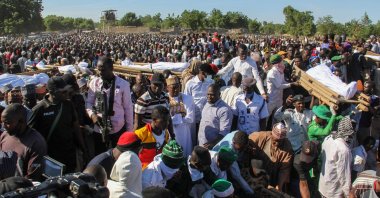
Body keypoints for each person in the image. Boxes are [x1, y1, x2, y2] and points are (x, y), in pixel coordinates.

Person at [29, 76, 86, 173]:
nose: (66, 94)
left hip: (69, 155)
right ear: (51, 92)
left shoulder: (68, 105)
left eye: (66, 91)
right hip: (50, 158)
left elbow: (75, 127)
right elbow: (31, 135)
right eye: (63, 92)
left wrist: (83, 148)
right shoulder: (39, 109)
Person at [86, 56, 134, 153]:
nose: (100, 73)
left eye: (103, 70)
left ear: (111, 69)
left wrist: (129, 132)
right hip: (99, 128)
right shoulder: (94, 83)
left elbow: (128, 108)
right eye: (99, 70)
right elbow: (89, 103)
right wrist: (92, 115)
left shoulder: (123, 84)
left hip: (118, 129)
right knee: (100, 156)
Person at [0, 104, 47, 181]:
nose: (3, 126)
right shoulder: (4, 135)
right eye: (2, 122)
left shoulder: (36, 143)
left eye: (7, 123)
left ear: (21, 121)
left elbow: (32, 179)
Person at [249, 122, 293, 192]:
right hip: (255, 173)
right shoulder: (259, 137)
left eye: (280, 140)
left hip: (272, 176)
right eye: (276, 139)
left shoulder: (287, 147)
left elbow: (284, 170)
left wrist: (279, 186)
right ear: (272, 133)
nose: (277, 142)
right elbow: (246, 144)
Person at [319, 117, 355, 198]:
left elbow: (322, 155)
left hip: (324, 185)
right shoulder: (343, 150)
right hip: (334, 191)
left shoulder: (328, 138)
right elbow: (344, 175)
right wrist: (348, 194)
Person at [167, 75, 195, 156]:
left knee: (184, 152)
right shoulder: (164, 98)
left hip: (184, 132)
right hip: (169, 131)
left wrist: (173, 119)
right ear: (168, 88)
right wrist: (181, 116)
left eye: (178, 87)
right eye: (173, 88)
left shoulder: (187, 98)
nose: (176, 90)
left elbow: (190, 118)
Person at [184, 63, 215, 135]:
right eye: (209, 74)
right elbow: (186, 101)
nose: (210, 76)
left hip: (206, 117)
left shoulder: (210, 83)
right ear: (202, 73)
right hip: (194, 117)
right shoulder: (190, 84)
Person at [198, 84, 232, 149]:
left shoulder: (224, 110)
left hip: (213, 147)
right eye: (208, 94)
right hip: (201, 143)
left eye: (212, 95)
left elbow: (224, 132)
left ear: (219, 94)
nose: (209, 97)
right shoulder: (206, 103)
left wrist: (213, 143)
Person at [266, 54, 294, 119]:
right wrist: (291, 84)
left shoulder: (280, 71)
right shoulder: (271, 73)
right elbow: (279, 86)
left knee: (277, 117)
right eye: (281, 62)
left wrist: (292, 82)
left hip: (279, 98)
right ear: (277, 63)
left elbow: (283, 82)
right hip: (271, 99)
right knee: (266, 117)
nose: (282, 63)